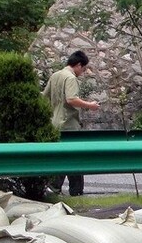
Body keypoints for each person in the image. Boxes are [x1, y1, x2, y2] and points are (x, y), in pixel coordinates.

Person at [42, 50, 99, 196]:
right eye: (83, 69)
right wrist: (90, 105)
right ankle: (75, 190)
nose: (82, 72)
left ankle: (55, 187)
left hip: (55, 123)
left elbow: (44, 96)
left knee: (60, 156)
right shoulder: (71, 78)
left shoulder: (55, 76)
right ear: (78, 65)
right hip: (68, 124)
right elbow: (71, 99)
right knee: (75, 158)